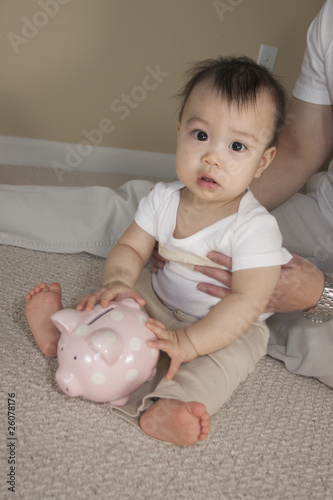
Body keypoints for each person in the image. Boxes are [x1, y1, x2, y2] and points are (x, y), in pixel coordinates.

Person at [25, 56, 291, 445]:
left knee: (217, 368)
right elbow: (132, 248)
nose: (212, 157)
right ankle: (62, 337)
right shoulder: (163, 198)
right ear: (179, 131)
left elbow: (248, 302)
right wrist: (117, 281)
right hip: (160, 295)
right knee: (106, 304)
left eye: (236, 146)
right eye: (200, 135)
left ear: (263, 161)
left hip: (223, 324)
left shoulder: (256, 228)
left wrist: (189, 342)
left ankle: (164, 407)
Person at [189, 0, 333, 387]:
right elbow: (302, 147)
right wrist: (204, 209)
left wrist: (323, 293)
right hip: (325, 214)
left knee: (313, 340)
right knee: (161, 213)